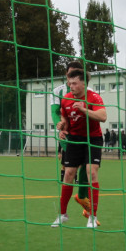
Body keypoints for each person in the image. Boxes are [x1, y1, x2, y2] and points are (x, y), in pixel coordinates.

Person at [54, 67, 107, 228]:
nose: (71, 86)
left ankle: (92, 216)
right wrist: (63, 127)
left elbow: (103, 117)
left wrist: (83, 109)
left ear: (83, 84)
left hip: (93, 139)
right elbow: (65, 117)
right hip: (75, 139)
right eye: (69, 83)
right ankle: (63, 214)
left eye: (74, 83)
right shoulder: (65, 99)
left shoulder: (94, 97)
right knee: (68, 173)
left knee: (91, 172)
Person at [51, 60, 92, 225]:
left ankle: (84, 201)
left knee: (87, 170)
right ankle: (64, 213)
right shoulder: (58, 91)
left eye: (77, 73)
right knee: (68, 172)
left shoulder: (89, 92)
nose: (73, 76)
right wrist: (59, 127)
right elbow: (55, 113)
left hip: (87, 137)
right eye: (70, 73)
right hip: (68, 136)